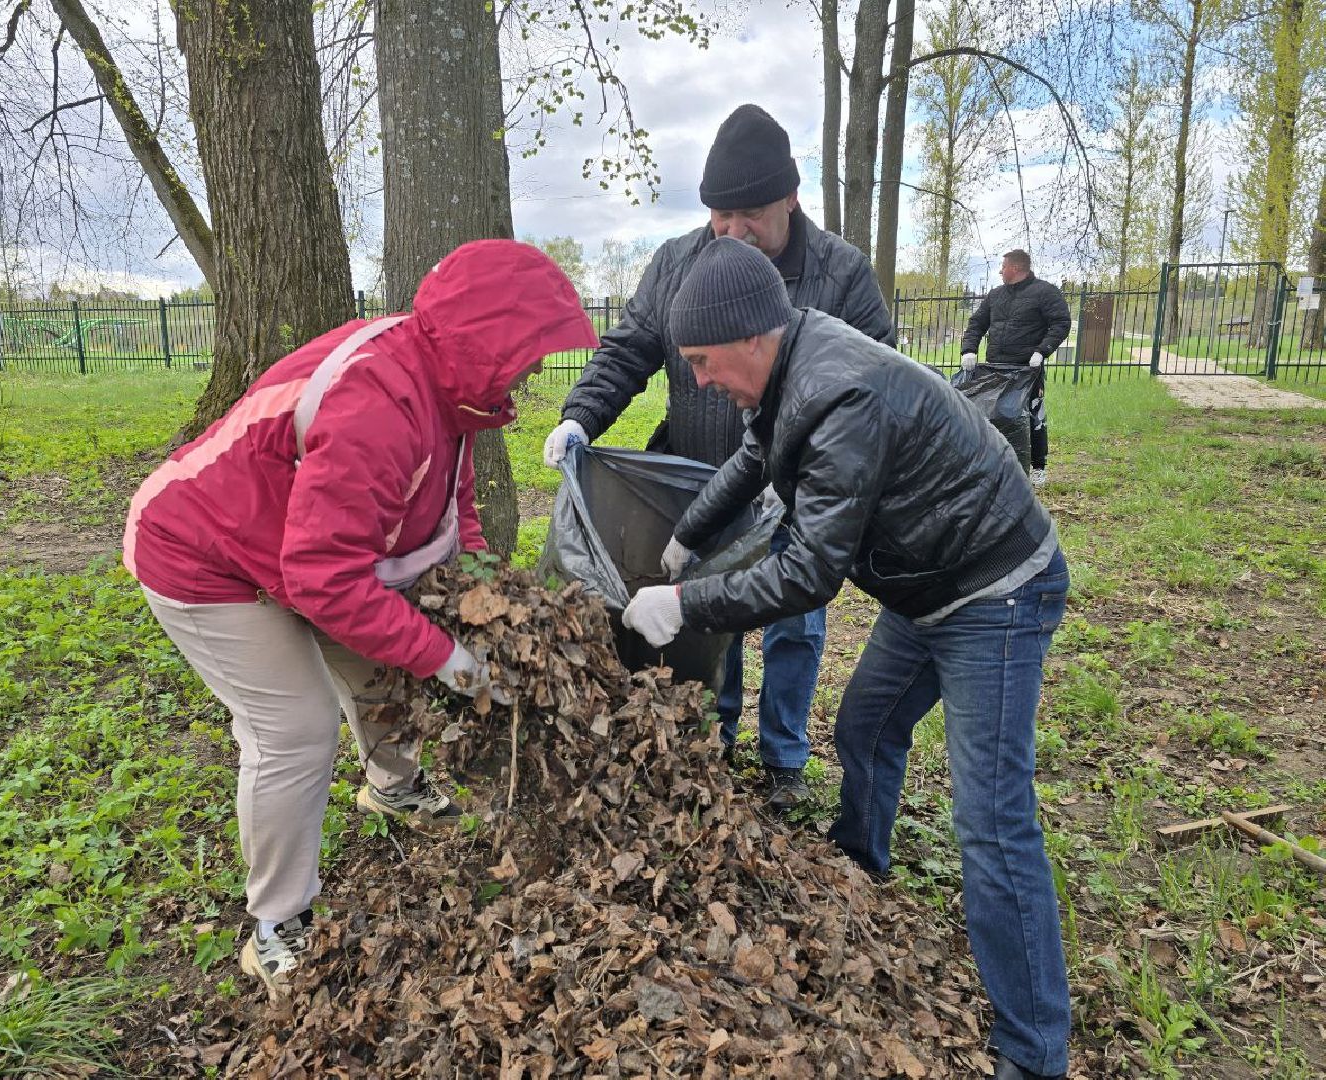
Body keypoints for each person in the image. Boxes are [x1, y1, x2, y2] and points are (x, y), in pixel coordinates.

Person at [623, 237, 1071, 1080]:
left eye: (702, 362)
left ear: (750, 336)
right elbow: (754, 459)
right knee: (863, 729)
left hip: (996, 590)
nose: (701, 379)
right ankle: (860, 869)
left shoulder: (843, 392)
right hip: (926, 584)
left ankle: (1034, 1055)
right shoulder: (792, 362)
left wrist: (680, 605)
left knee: (993, 821)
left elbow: (809, 572)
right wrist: (685, 540)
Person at [122, 240, 597, 996]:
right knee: (296, 728)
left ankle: (392, 785)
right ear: (487, 340)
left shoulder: (445, 386)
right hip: (204, 553)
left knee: (378, 663)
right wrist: (444, 657)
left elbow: (453, 505)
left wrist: (480, 597)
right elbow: (322, 577)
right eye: (529, 356)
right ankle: (276, 925)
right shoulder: (379, 402)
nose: (535, 373)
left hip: (290, 549)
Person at [542, 103, 895, 811]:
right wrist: (580, 416)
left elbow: (877, 376)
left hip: (797, 491)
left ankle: (785, 758)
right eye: (720, 217)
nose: (734, 232)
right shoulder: (678, 263)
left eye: (751, 215)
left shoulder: (839, 272)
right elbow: (631, 347)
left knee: (795, 619)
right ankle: (714, 738)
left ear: (791, 198)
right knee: (705, 618)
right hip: (699, 483)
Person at [960, 249, 1071, 489]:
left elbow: (1061, 323)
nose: (1000, 271)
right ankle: (995, 463)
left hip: (1026, 370)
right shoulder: (996, 295)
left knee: (1033, 416)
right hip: (995, 369)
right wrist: (968, 349)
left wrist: (1042, 351)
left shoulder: (1044, 292)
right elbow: (977, 323)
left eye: (1004, 266)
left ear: (1016, 268)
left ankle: (1038, 468)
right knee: (994, 416)